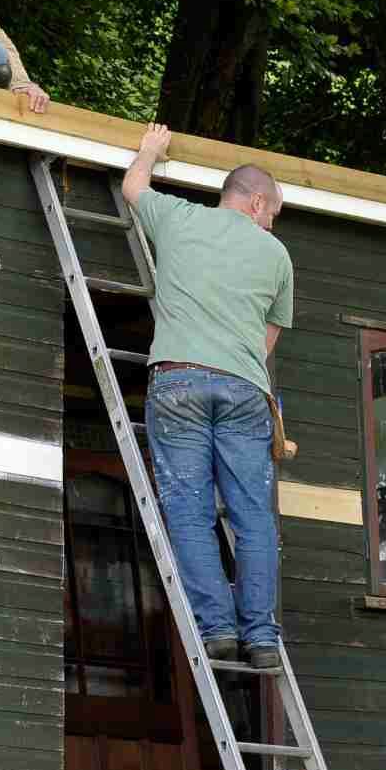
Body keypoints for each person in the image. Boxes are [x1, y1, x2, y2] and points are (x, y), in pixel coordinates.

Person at [119, 122, 293, 668]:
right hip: (245, 390)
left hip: (178, 382)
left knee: (190, 513)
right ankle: (261, 637)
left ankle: (216, 628)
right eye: (272, 213)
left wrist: (150, 150)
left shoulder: (179, 219)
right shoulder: (276, 255)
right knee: (254, 518)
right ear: (256, 202)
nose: (271, 223)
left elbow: (132, 189)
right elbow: (268, 339)